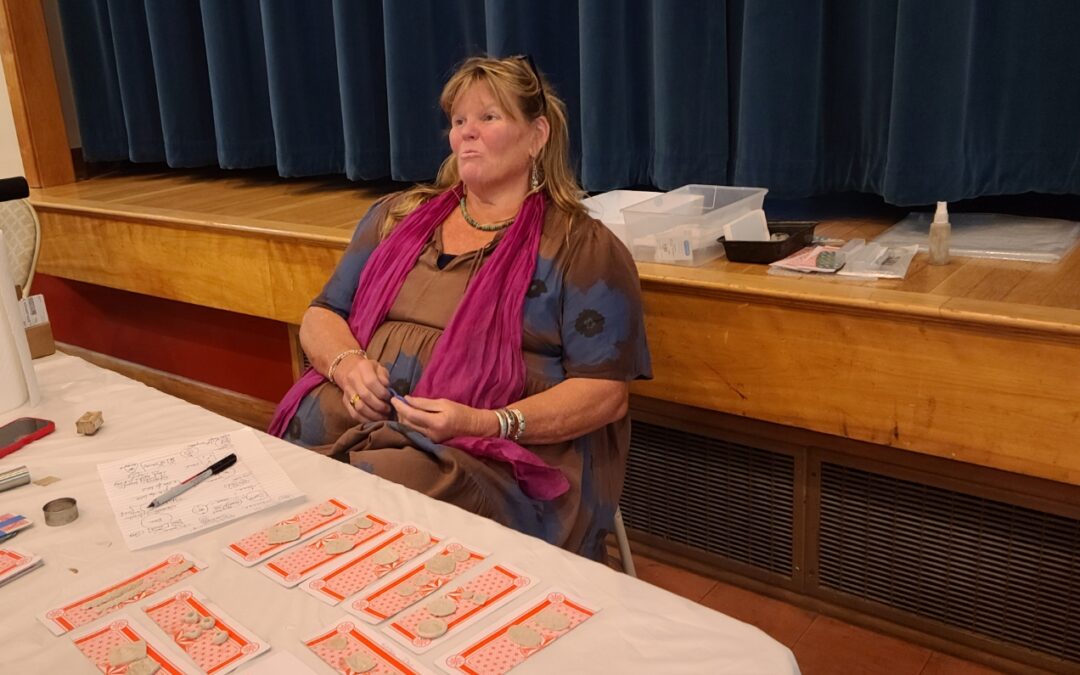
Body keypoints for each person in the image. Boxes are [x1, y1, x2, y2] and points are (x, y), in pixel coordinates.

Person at [269, 55, 651, 560]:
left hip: (500, 456)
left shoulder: (581, 247)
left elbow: (605, 395)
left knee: (383, 488)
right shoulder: (395, 216)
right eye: (458, 121)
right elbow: (323, 314)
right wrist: (348, 366)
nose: (467, 132)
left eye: (488, 118)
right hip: (372, 422)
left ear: (537, 135)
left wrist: (483, 423)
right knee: (283, 463)